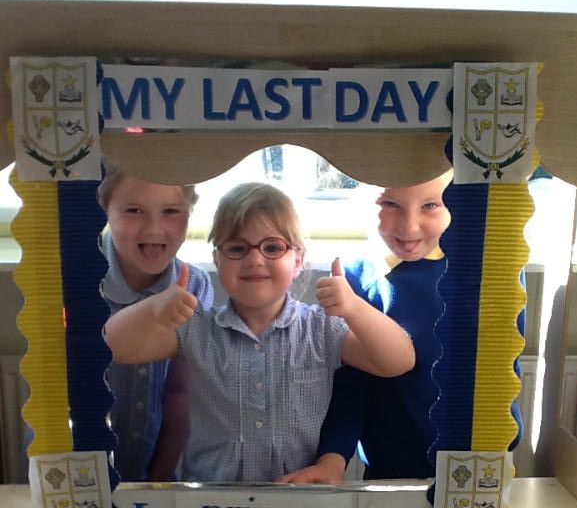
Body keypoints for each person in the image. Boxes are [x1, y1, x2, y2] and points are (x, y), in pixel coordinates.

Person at [104, 182, 415, 483]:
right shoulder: (196, 330)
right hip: (210, 507)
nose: (255, 259)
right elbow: (109, 347)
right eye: (237, 248)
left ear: (298, 260)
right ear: (217, 260)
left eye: (272, 248)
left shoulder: (321, 329)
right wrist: (152, 309)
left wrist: (355, 309)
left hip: (301, 503)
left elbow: (398, 360)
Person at [280, 171, 453, 484]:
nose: (409, 226)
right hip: (386, 473)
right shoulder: (354, 278)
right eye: (390, 204)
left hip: (474, 466)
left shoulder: (482, 271)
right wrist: (333, 459)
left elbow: (500, 372)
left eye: (430, 206)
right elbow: (351, 387)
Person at [98, 164, 214, 481]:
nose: (153, 229)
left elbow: (180, 393)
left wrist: (159, 480)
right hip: (73, 465)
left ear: (189, 212)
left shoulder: (195, 286)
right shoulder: (73, 277)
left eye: (171, 211)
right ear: (105, 208)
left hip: (148, 467)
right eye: (134, 211)